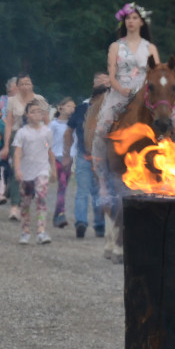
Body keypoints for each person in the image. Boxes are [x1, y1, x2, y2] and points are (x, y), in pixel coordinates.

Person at [92, 2, 160, 195]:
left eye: (135, 18)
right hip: (120, 91)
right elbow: (111, 75)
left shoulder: (150, 47)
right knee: (101, 126)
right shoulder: (116, 46)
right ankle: (102, 177)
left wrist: (144, 91)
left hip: (146, 93)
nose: (131, 21)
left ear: (142, 22)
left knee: (169, 121)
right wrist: (123, 90)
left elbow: (156, 73)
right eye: (128, 18)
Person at [63, 72, 110, 239]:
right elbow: (69, 132)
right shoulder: (81, 109)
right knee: (83, 191)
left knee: (99, 192)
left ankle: (99, 225)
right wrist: (67, 154)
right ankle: (81, 223)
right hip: (84, 155)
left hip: (103, 158)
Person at [1, 74, 50, 221]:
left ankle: (31, 201)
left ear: (32, 85)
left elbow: (47, 122)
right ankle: (15, 206)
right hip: (18, 135)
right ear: (17, 86)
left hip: (36, 136)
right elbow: (9, 123)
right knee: (18, 169)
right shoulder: (12, 101)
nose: (25, 86)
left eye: (27, 83)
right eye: (21, 84)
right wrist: (5, 144)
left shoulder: (40, 99)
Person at [12, 100, 57, 245]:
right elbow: (18, 153)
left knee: (41, 198)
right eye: (33, 111)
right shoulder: (22, 133)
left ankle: (41, 231)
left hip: (42, 169)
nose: (37, 114)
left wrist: (53, 170)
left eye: (39, 111)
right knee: (25, 203)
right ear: (27, 115)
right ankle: (25, 231)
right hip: (26, 171)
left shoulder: (47, 132)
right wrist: (18, 169)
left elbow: (49, 150)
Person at [49, 97, 76, 229]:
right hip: (57, 158)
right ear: (61, 108)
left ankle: (57, 214)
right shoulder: (54, 125)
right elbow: (48, 142)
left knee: (63, 188)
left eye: (73, 107)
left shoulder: (74, 125)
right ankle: (61, 214)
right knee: (63, 185)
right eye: (69, 106)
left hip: (69, 158)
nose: (72, 109)